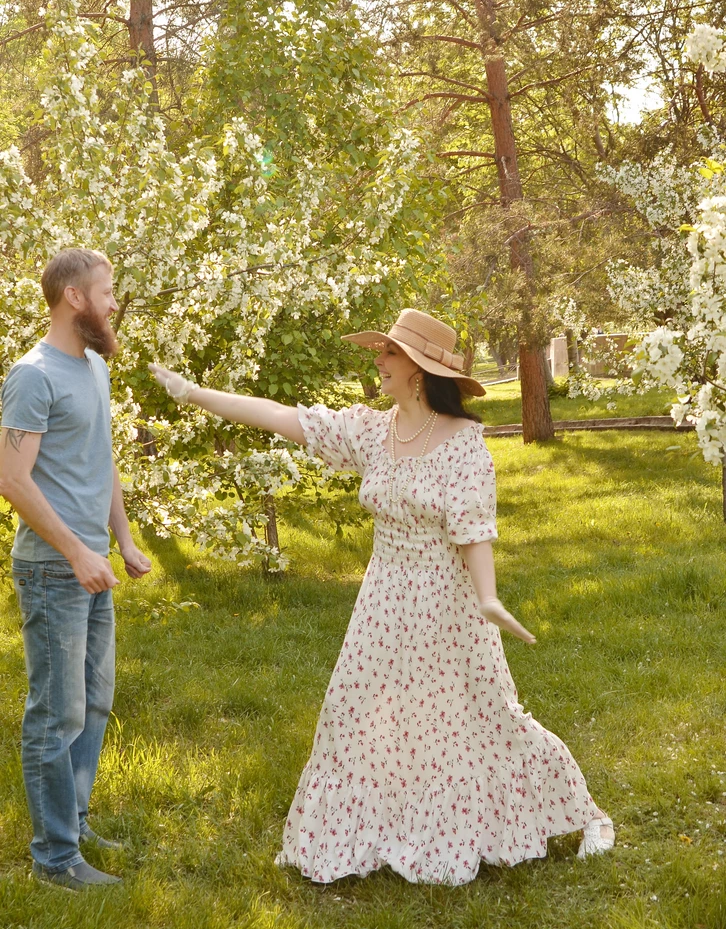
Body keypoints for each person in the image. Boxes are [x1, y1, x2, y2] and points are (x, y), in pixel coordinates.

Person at [149, 308, 614, 885]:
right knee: (356, 719)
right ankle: (368, 831)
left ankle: (578, 812)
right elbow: (279, 417)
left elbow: (474, 529)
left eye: (388, 353)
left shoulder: (465, 444)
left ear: (418, 370)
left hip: (446, 605)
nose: (378, 362)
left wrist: (489, 600)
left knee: (478, 716)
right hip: (381, 603)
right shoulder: (373, 430)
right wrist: (194, 392)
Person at [0, 248, 151, 891]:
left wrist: (122, 536)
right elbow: (10, 477)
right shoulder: (34, 376)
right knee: (54, 714)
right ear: (75, 299)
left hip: (90, 562)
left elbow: (102, 456)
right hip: (54, 567)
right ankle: (55, 858)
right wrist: (75, 551)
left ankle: (74, 821)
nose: (115, 301)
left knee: (92, 703)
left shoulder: (92, 366)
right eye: (107, 290)